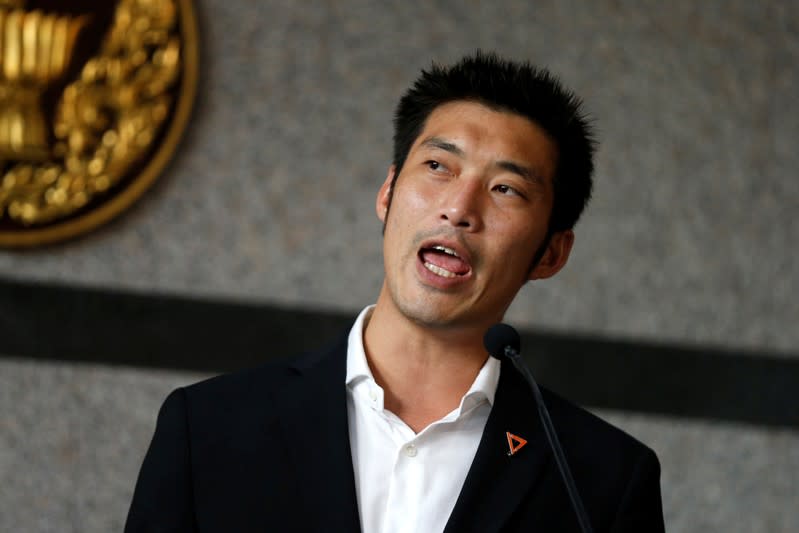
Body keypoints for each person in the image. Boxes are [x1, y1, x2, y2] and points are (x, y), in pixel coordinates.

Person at [125, 51, 665, 532]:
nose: (459, 207)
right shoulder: (209, 428)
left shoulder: (601, 481)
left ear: (551, 253)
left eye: (506, 189)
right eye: (437, 166)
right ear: (387, 193)